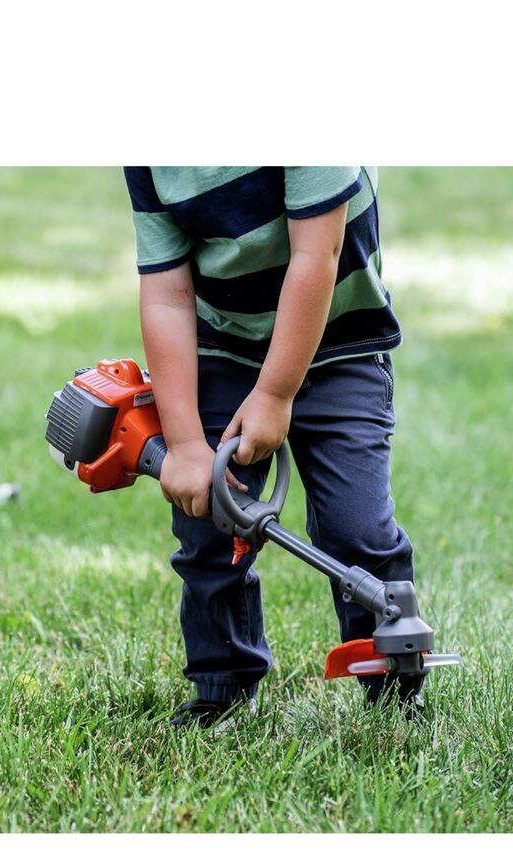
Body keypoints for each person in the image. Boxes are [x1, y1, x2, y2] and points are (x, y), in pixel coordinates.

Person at [123, 166, 421, 729]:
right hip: (226, 347)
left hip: (341, 342)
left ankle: (395, 688)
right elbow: (166, 293)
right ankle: (223, 688)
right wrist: (185, 443)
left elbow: (317, 253)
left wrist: (275, 393)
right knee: (209, 525)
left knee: (357, 531)